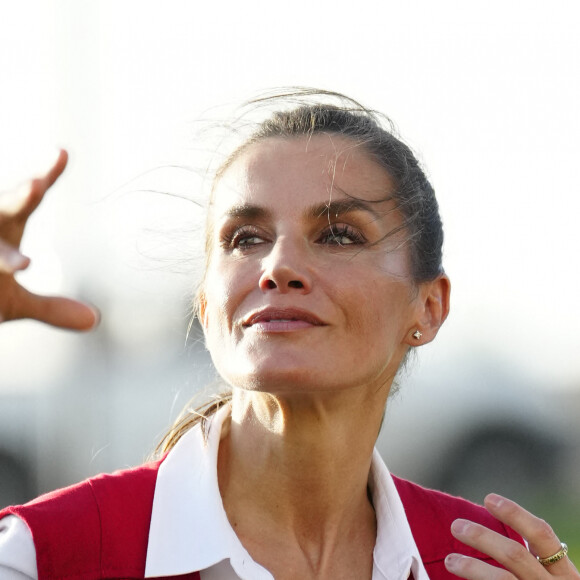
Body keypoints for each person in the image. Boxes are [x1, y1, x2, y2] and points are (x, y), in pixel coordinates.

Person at [0, 91, 577, 580]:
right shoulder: (45, 553)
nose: (277, 265)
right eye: (246, 237)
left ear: (428, 307)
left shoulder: (489, 564)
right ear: (206, 306)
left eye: (339, 235)